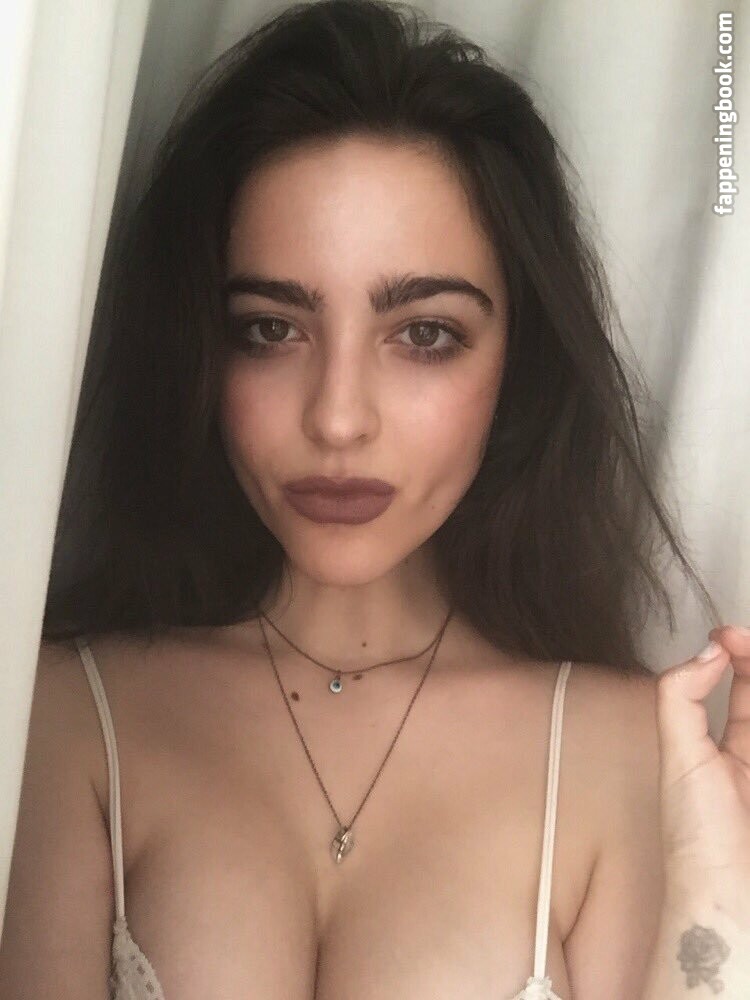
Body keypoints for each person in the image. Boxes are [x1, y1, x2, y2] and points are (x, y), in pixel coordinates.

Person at [1, 1, 748, 997]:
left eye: (424, 334)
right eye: (271, 329)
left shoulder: (628, 750)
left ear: (516, 363)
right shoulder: (67, 715)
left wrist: (718, 892)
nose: (338, 418)